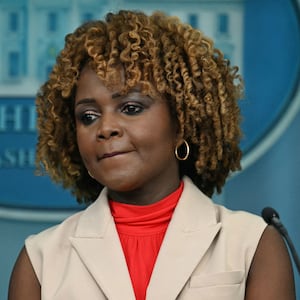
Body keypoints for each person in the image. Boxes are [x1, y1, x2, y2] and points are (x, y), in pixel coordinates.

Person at [8, 10, 295, 300]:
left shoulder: (252, 243)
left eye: (131, 108)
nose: (105, 128)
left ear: (181, 123)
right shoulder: (40, 260)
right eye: (88, 116)